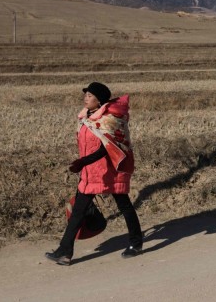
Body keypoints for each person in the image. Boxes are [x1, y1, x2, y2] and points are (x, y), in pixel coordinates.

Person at [45, 82, 143, 265]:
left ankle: (136, 243)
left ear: (99, 100)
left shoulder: (110, 120)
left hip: (111, 170)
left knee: (125, 206)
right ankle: (64, 252)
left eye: (90, 96)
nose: (85, 98)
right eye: (86, 95)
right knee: (78, 212)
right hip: (91, 171)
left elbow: (109, 148)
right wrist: (84, 165)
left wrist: (84, 161)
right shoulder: (86, 118)